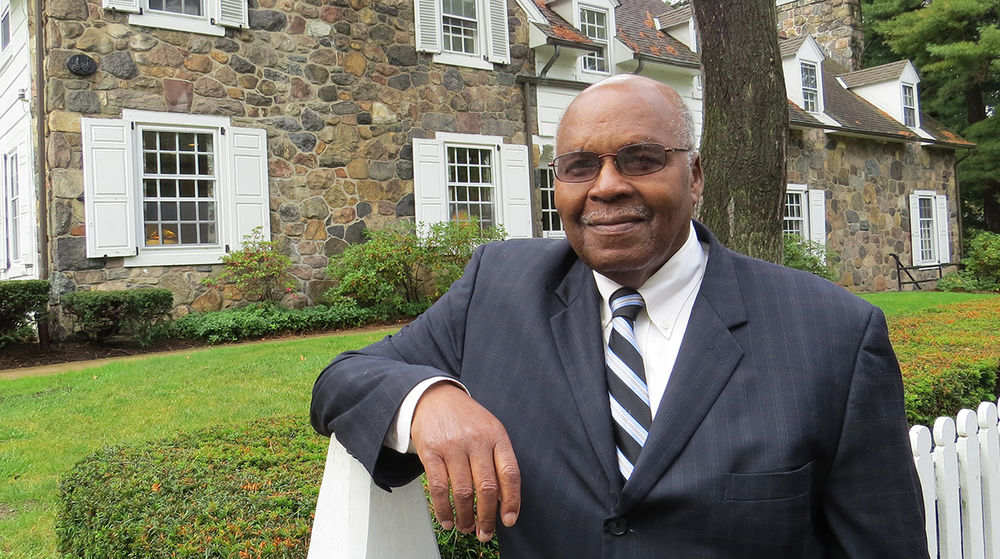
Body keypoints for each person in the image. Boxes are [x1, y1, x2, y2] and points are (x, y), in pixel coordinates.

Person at [310, 74, 928, 558]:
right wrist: (428, 399)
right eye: (580, 167)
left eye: (640, 159)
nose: (606, 186)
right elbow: (344, 378)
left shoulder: (833, 336)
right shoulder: (498, 290)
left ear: (696, 176)